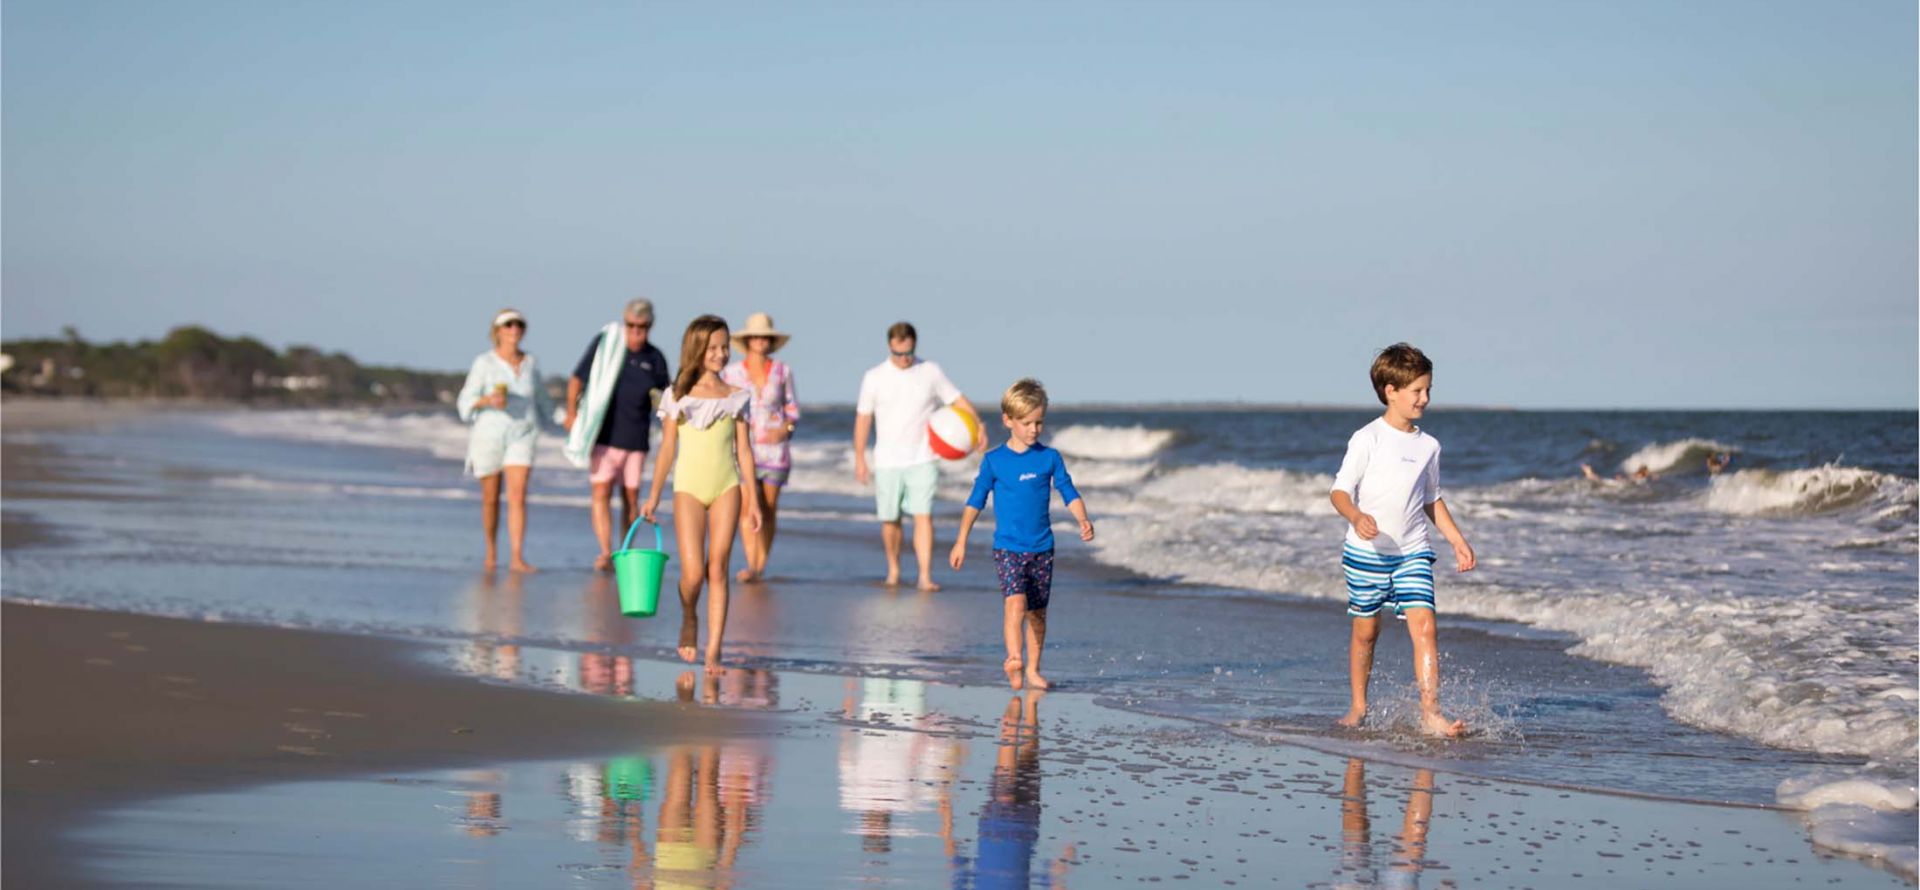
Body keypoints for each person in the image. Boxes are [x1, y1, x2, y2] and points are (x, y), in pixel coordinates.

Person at [1329, 343, 1476, 737]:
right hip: (1366, 554)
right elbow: (1339, 492)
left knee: (1425, 627)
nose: (1425, 399)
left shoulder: (1428, 446)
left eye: (1428, 390)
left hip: (1412, 551)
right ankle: (1358, 706)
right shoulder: (1367, 439)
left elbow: (1432, 499)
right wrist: (1357, 516)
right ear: (1390, 391)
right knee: (1366, 631)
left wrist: (1457, 541)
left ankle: (1431, 713)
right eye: (1417, 391)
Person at [950, 379, 1094, 691]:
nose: (1034, 429)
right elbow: (976, 500)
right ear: (1008, 420)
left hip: (1042, 547)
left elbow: (1068, 490)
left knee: (1037, 613)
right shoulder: (994, 460)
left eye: (1039, 422)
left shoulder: (1049, 457)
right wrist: (961, 540)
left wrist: (1082, 518)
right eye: (1027, 423)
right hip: (1008, 547)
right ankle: (1014, 658)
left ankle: (1033, 669)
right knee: (1014, 603)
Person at [642, 315, 762, 670]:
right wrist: (654, 495)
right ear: (697, 349)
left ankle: (714, 650)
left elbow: (744, 451)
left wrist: (753, 500)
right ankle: (689, 617)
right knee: (693, 574)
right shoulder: (676, 396)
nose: (721, 354)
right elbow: (666, 450)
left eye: (725, 347)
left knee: (718, 567)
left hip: (727, 486)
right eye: (713, 347)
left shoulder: (737, 397)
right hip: (688, 489)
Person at [853, 321, 983, 591]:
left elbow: (957, 400)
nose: (903, 359)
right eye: (898, 354)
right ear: (890, 347)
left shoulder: (930, 371)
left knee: (923, 514)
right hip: (887, 459)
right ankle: (894, 569)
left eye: (908, 353)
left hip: (923, 457)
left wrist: (978, 425)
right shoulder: (874, 377)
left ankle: (924, 575)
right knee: (890, 519)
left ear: (914, 346)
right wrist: (859, 457)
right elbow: (863, 419)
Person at [564, 299, 673, 572]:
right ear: (624, 323)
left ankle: (625, 550)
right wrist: (571, 413)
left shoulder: (655, 358)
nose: (636, 331)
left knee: (631, 499)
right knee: (600, 493)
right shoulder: (606, 347)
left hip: (636, 440)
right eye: (631, 325)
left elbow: (668, 399)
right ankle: (604, 551)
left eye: (643, 326)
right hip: (603, 436)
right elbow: (577, 379)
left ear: (650, 326)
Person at [456, 308, 554, 573]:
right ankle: (491, 551)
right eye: (508, 325)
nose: (514, 330)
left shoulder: (531, 362)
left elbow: (542, 399)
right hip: (489, 434)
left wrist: (566, 420)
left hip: (523, 433)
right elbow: (464, 402)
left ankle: (517, 557)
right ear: (497, 331)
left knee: (518, 494)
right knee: (490, 498)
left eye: (519, 325)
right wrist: (488, 400)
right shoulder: (484, 363)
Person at [720, 312, 801, 584]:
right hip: (743, 449)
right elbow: (724, 408)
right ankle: (750, 563)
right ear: (748, 340)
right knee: (746, 507)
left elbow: (792, 408)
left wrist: (785, 429)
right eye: (755, 336)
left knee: (768, 507)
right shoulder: (731, 373)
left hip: (775, 451)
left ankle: (761, 562)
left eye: (765, 337)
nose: (760, 341)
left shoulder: (782, 371)